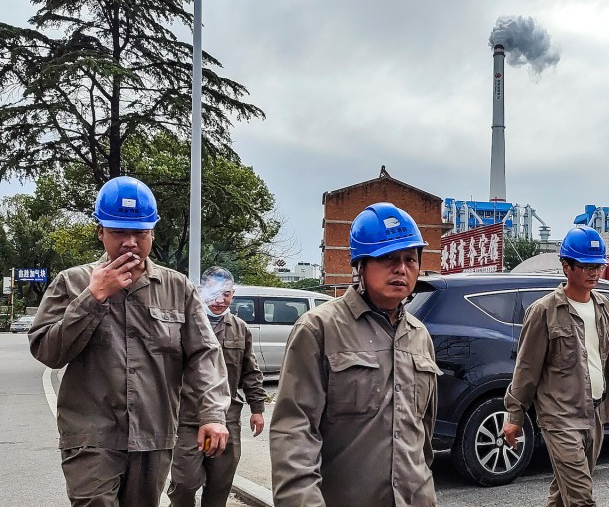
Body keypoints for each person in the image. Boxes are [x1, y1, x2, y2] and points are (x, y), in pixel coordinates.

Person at [29, 176, 231, 507]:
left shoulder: (177, 288)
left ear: (152, 232)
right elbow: (47, 351)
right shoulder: (72, 283)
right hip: (91, 438)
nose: (130, 242)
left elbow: (204, 355)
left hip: (154, 437)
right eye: (119, 232)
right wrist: (93, 297)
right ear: (101, 232)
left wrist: (212, 413)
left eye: (139, 232)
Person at [270, 202, 441, 507]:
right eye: (388, 257)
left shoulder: (419, 336)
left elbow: (423, 435)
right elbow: (294, 431)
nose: (401, 268)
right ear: (360, 265)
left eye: (409, 259)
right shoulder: (318, 330)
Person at [503, 225, 609, 507]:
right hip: (559, 416)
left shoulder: (606, 307)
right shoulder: (544, 311)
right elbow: (527, 368)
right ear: (566, 266)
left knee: (564, 494)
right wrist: (514, 416)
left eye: (598, 266)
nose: (594, 272)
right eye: (586, 266)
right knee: (581, 497)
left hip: (595, 413)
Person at [167, 266, 269, 506]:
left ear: (233, 294)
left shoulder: (240, 328)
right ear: (202, 291)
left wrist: (257, 409)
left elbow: (250, 371)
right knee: (184, 484)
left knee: (219, 486)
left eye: (227, 294)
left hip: (227, 419)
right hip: (187, 419)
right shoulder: (185, 325)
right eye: (215, 292)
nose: (220, 300)